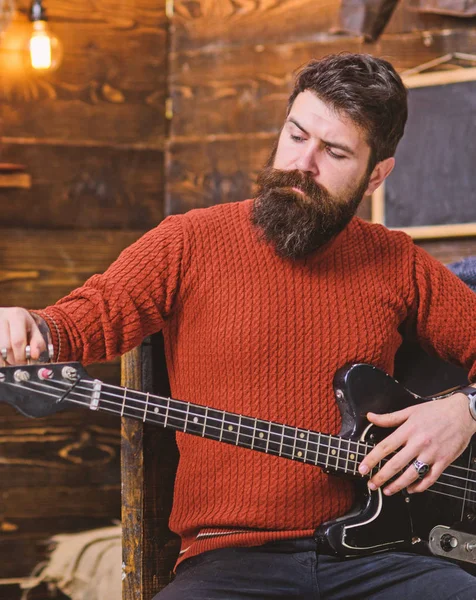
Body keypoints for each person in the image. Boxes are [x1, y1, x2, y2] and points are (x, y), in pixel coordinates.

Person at [1, 53, 476, 599]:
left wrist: (463, 411)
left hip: (387, 561)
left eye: (335, 152)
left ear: (377, 175)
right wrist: (27, 326)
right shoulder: (188, 241)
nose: (303, 163)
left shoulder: (398, 261)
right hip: (230, 564)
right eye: (296, 135)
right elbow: (83, 321)